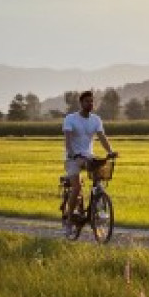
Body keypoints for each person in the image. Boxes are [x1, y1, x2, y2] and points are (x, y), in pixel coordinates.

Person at [61, 90, 116, 234]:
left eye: (92, 101)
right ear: (81, 103)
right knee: (77, 187)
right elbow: (67, 140)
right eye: (87, 101)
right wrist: (72, 153)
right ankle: (69, 220)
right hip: (72, 157)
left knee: (98, 177)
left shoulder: (96, 119)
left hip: (87, 156)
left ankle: (96, 204)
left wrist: (110, 151)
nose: (90, 104)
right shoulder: (70, 119)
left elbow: (102, 137)